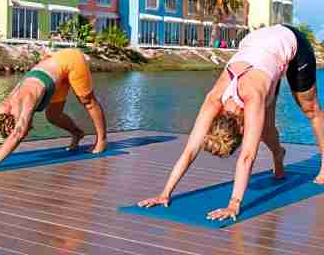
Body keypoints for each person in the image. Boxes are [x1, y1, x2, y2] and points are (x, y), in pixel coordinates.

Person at [139, 24, 324, 222]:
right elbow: (189, 151)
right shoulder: (214, 100)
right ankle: (279, 155)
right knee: (264, 127)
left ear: (242, 129)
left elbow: (247, 157)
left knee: (310, 110)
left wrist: (233, 204)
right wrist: (164, 193)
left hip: (291, 43)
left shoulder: (252, 97)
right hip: (260, 48)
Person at [0, 48, 108, 173]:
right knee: (53, 116)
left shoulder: (28, 101)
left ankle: (101, 140)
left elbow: (18, 134)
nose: (28, 129)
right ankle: (78, 133)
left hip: (70, 61)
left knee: (87, 101)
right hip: (54, 75)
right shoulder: (5, 109)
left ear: (14, 123)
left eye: (26, 128)